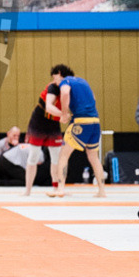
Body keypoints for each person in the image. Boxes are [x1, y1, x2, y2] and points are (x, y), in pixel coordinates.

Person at [50, 69, 107, 198]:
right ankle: (102, 191)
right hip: (95, 121)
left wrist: (64, 114)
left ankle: (60, 188)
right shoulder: (83, 81)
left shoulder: (66, 81)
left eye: (55, 78)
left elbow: (64, 93)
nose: (55, 82)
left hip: (81, 121)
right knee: (93, 156)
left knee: (63, 154)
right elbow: (93, 97)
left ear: (60, 74)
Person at [21, 66, 68, 196]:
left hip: (53, 123)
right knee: (33, 155)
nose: (53, 79)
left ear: (61, 75)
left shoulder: (68, 87)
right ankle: (27, 190)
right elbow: (49, 107)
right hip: (39, 122)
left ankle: (57, 188)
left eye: (55, 76)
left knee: (56, 157)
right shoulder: (53, 87)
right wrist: (63, 115)